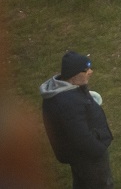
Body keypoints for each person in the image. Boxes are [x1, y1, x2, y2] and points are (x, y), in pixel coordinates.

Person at [40, 50, 112, 189]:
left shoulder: (68, 90)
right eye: (86, 70)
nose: (90, 72)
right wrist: (99, 150)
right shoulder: (66, 103)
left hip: (81, 155)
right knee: (100, 184)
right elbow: (80, 136)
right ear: (74, 76)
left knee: (83, 183)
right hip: (88, 156)